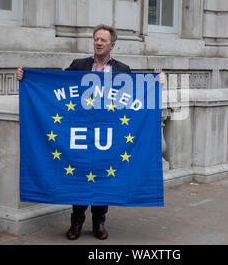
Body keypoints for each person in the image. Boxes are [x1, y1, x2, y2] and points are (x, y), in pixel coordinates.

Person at [16, 24, 166, 241]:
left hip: (108, 135)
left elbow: (138, 96)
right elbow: (53, 86)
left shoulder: (122, 70)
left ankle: (99, 223)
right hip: (80, 133)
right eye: (96, 39)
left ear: (112, 45)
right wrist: (25, 77)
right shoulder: (79, 66)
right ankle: (76, 223)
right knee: (79, 176)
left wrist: (157, 83)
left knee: (103, 178)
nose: (98, 43)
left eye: (103, 40)